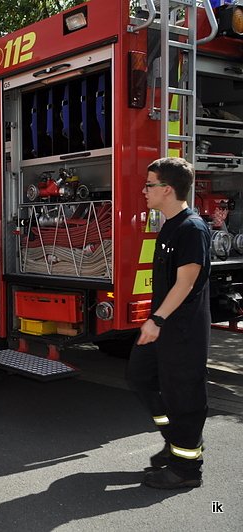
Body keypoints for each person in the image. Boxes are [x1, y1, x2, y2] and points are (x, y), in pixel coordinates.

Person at [127, 157, 211, 490]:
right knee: (139, 377)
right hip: (164, 327)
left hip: (183, 331)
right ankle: (176, 440)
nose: (144, 190)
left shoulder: (192, 228)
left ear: (167, 189)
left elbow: (186, 282)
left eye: (149, 185)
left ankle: (186, 470)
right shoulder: (170, 225)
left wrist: (157, 319)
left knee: (184, 395)